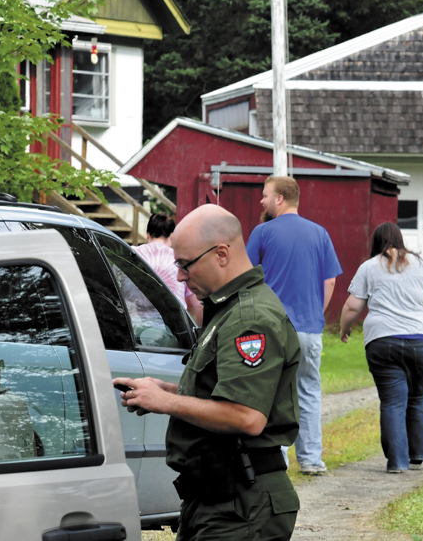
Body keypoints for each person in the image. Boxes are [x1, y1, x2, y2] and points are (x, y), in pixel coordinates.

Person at [115, 204, 301, 540]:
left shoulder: (250, 318)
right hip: (217, 498)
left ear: (222, 254)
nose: (181, 276)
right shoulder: (227, 310)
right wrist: (164, 392)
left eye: (185, 265)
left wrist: (167, 403)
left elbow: (247, 416)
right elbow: (220, 393)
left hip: (242, 504)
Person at [339, 222, 423, 473]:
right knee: (418, 396)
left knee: (392, 402)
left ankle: (397, 462)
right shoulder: (422, 263)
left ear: (376, 243)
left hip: (383, 340)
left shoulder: (368, 267)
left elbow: (353, 306)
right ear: (400, 240)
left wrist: (344, 328)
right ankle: (418, 455)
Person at [246, 175, 342, 476]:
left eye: (265, 195)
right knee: (309, 391)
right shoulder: (320, 233)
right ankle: (312, 459)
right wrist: (315, 313)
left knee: (273, 393)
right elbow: (330, 280)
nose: (261, 201)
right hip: (310, 328)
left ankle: (279, 461)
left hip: (274, 328)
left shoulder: (262, 233)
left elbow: (246, 277)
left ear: (279, 199)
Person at [134, 213, 203, 325]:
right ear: (172, 237)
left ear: (147, 235)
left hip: (135, 328)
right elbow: (198, 306)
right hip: (173, 331)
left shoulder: (131, 255)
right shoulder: (181, 260)